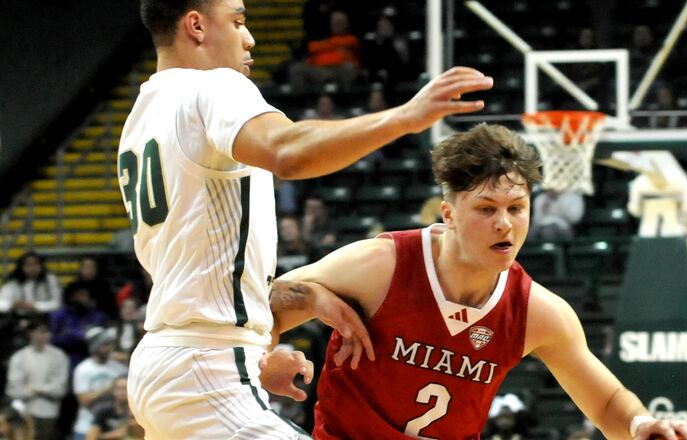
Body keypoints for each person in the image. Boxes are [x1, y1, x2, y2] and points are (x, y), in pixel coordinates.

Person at [123, 1, 492, 439]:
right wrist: (404, 118)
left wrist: (266, 339)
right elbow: (287, 151)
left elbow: (199, 270)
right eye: (238, 21)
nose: (250, 37)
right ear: (197, 26)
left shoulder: (142, 116)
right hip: (204, 366)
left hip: (169, 362)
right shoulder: (213, 88)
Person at [276, 124, 687, 439]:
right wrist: (284, 331)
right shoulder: (383, 266)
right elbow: (257, 304)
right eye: (486, 209)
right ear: (448, 215)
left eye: (517, 208)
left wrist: (641, 425)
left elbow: (606, 403)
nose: (504, 224)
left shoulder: (538, 312)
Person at [5, 320, 69, 440]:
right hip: (24, 413)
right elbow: (13, 390)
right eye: (39, 332)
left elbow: (60, 389)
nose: (43, 335)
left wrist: (35, 389)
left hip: (49, 413)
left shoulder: (59, 356)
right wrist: (45, 390)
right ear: (31, 333)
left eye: (46, 332)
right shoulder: (19, 357)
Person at [72, 328, 128, 440]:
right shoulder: (83, 369)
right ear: (94, 346)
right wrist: (109, 388)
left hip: (113, 426)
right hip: (85, 426)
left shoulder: (119, 368)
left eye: (110, 344)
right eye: (104, 344)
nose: (108, 348)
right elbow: (84, 400)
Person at [0, 252, 61, 316]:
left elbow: (57, 304)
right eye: (28, 265)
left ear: (41, 265)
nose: (32, 268)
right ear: (21, 266)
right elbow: (1, 303)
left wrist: (35, 306)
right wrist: (12, 305)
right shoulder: (13, 281)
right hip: (16, 316)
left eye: (35, 264)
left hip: (44, 315)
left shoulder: (50, 280)